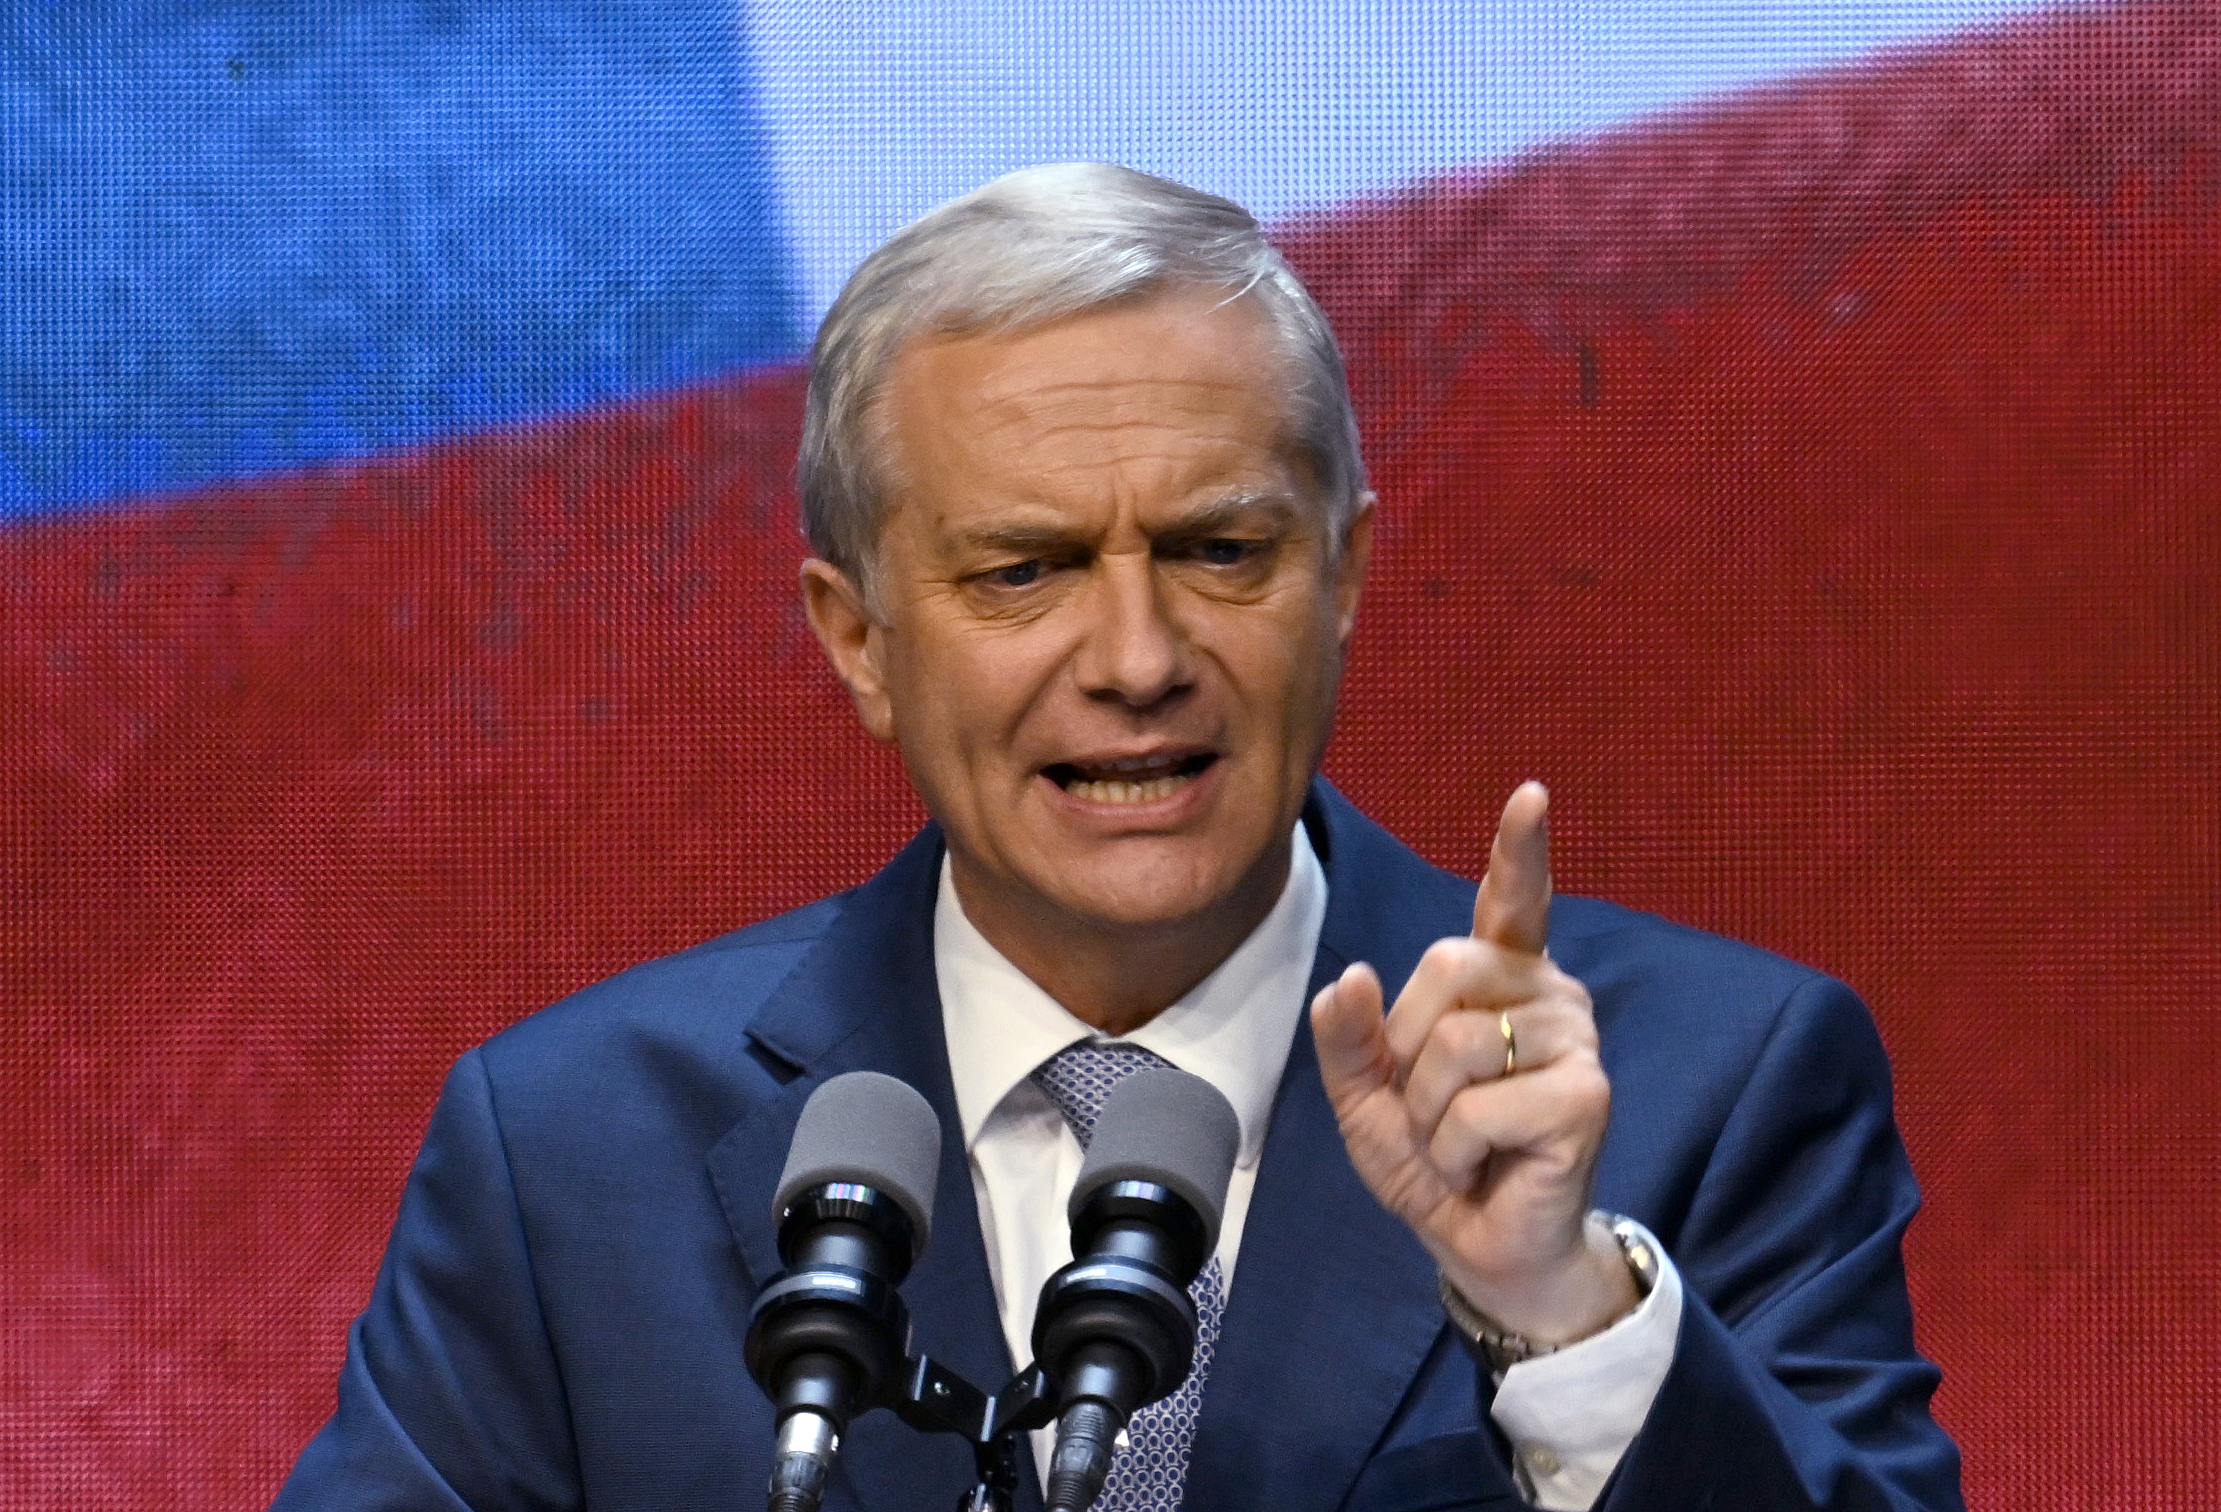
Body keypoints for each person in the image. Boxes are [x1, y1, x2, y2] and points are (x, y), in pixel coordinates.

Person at [272, 163, 1962, 1512]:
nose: (1139, 661)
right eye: (1023, 572)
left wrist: (1559, 1317)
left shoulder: (1701, 1085)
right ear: (857, 640)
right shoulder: (569, 1153)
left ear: (1344, 575)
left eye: (1221, 552)